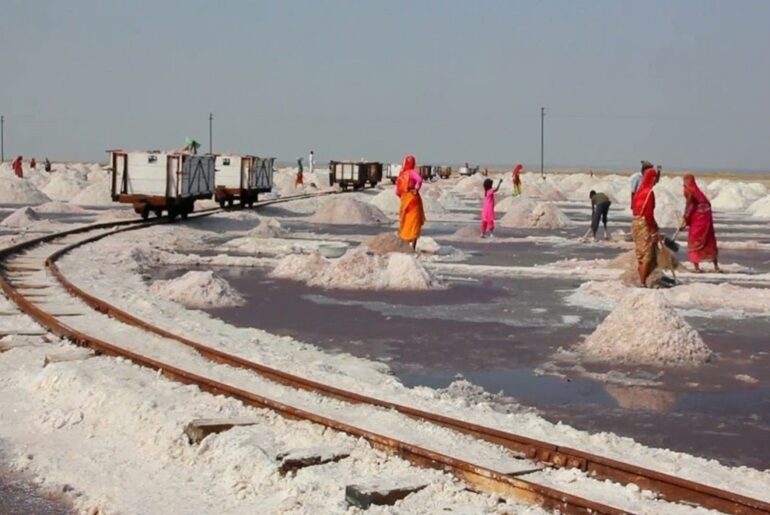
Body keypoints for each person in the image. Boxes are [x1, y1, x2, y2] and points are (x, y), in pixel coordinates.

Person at [680, 174, 720, 273]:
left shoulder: (690, 190)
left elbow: (689, 205)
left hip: (700, 217)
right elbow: (705, 204)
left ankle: (697, 267)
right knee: (709, 238)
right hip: (706, 216)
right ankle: (716, 266)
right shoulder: (696, 190)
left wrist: (685, 218)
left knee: (694, 238)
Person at [631, 167, 661, 287]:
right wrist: (653, 229)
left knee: (641, 253)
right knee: (648, 255)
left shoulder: (639, 192)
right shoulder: (649, 193)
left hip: (635, 223)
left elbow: (634, 209)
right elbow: (648, 214)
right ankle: (642, 282)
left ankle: (642, 279)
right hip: (644, 225)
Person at [396, 154, 425, 250]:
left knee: (406, 221)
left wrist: (404, 197)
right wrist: (416, 189)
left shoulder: (402, 175)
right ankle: (413, 247)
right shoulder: (412, 173)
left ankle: (405, 243)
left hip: (405, 200)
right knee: (414, 222)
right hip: (413, 199)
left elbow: (397, 191)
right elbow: (420, 180)